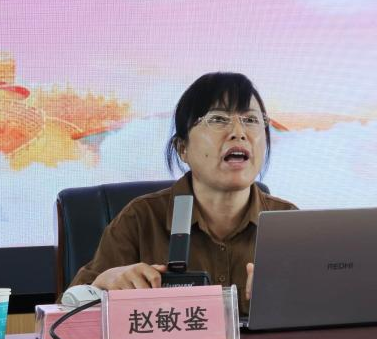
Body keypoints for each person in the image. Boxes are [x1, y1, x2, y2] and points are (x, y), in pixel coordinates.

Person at [69, 72, 297, 315]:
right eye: (218, 119)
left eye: (251, 120)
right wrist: (103, 284)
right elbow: (66, 312)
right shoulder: (141, 220)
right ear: (182, 148)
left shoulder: (289, 222)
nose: (239, 132)